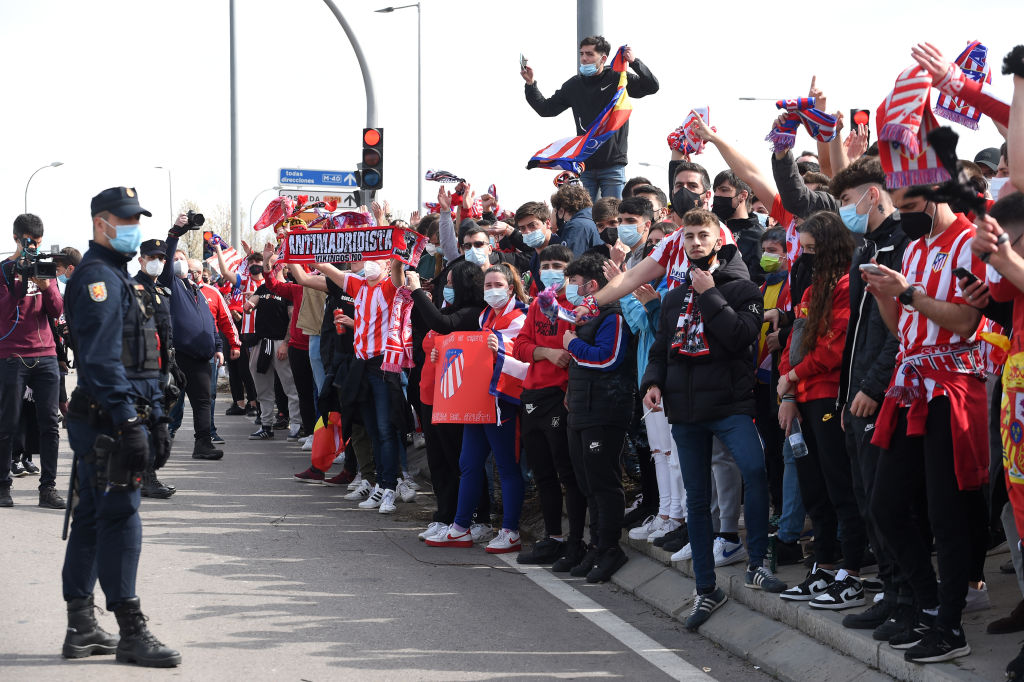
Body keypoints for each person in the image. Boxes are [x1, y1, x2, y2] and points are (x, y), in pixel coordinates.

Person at [641, 209, 785, 632]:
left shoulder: (743, 289)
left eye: (703, 236)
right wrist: (652, 382)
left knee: (755, 472)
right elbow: (661, 348)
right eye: (688, 237)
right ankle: (707, 588)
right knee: (697, 502)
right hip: (685, 413)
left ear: (719, 241)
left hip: (730, 406)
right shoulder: (672, 296)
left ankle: (756, 563)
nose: (695, 244)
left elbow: (742, 338)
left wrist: (709, 294)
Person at [862, 184, 989, 663]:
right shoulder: (913, 248)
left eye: (913, 208)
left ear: (937, 196)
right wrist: (883, 295)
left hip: (952, 388)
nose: (906, 217)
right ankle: (930, 603)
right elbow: (901, 329)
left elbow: (964, 322)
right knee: (886, 503)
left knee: (947, 510)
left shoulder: (969, 241)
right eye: (900, 208)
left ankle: (951, 625)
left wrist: (908, 293)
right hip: (911, 385)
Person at [61, 186, 180, 667]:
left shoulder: (115, 275)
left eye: (137, 219)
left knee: (91, 519)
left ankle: (81, 627)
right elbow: (102, 359)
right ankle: (131, 631)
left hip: (110, 417)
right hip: (108, 421)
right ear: (100, 223)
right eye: (125, 220)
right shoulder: (100, 280)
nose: (133, 229)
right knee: (120, 518)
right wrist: (130, 421)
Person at [828, 157, 912, 633]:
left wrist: (872, 387)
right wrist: (847, 397)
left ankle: (908, 597)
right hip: (855, 395)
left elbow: (898, 330)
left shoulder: (902, 244)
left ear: (873, 195)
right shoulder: (865, 248)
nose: (844, 210)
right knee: (865, 499)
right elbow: (858, 334)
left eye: (846, 200)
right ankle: (889, 590)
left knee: (889, 502)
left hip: (885, 392)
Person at [776, 212, 867, 610]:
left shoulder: (848, 286)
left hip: (830, 395)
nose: (807, 257)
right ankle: (824, 565)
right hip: (803, 397)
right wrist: (788, 392)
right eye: (805, 250)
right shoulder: (813, 291)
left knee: (840, 486)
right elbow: (794, 344)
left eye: (813, 250)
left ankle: (854, 571)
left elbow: (834, 350)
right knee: (814, 486)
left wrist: (793, 375)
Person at [426, 263, 528, 552]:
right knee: (468, 464)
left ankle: (510, 530)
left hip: (504, 402)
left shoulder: (521, 316)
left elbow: (524, 363)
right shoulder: (485, 315)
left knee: (507, 466)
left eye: (497, 285)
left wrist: (501, 350)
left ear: (511, 287)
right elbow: (472, 353)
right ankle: (460, 527)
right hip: (479, 399)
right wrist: (443, 352)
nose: (492, 290)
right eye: (487, 285)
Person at [560, 251, 634, 581]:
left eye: (573, 282)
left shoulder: (612, 316)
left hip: (605, 410)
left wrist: (572, 345)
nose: (568, 288)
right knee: (586, 483)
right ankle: (596, 544)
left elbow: (608, 359)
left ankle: (610, 548)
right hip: (581, 409)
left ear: (592, 285)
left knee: (605, 482)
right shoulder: (585, 318)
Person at [314, 254, 409, 514]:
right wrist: (295, 240)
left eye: (375, 260)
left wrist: (398, 260)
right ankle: (381, 483)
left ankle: (390, 486)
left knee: (385, 428)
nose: (368, 263)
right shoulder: (358, 286)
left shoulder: (389, 286)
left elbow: (399, 277)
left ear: (386, 265)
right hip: (360, 366)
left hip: (382, 366)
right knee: (372, 429)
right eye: (365, 258)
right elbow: (325, 267)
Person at [512, 244, 588, 565]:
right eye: (546, 265)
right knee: (542, 472)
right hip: (532, 396)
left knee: (567, 473)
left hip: (561, 396)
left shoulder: (578, 308)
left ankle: (575, 540)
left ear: (570, 272)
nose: (551, 271)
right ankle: (553, 537)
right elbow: (520, 346)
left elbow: (582, 354)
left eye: (558, 265)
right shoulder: (538, 305)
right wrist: (546, 353)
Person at [406, 261, 486, 541]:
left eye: (451, 283)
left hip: (455, 398)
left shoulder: (473, 314)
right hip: (431, 396)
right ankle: (445, 515)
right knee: (438, 461)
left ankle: (475, 517)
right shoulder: (448, 310)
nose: (446, 288)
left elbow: (441, 325)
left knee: (457, 460)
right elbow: (429, 324)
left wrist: (417, 291)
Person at [522, 36, 659, 199]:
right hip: (584, 164)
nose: (584, 59)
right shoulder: (573, 85)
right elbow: (546, 109)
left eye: (589, 54)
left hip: (613, 164)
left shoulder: (617, 78)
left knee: (612, 218)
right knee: (586, 216)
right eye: (581, 54)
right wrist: (530, 84)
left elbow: (651, 87)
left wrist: (635, 62)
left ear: (603, 58)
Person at [0, 213, 65, 509]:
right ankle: (3, 486)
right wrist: (20, 281)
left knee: (50, 423)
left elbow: (56, 310)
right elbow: (3, 314)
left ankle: (48, 488)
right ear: (16, 239)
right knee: (8, 422)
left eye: (36, 243)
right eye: (28, 243)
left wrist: (46, 283)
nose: (32, 248)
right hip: (12, 355)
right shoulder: (4, 270)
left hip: (46, 355)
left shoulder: (46, 268)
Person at [161, 218, 223, 460]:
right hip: (179, 355)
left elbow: (209, 323)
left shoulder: (197, 290)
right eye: (174, 260)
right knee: (171, 401)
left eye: (181, 260)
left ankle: (203, 443)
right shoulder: (171, 284)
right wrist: (175, 233)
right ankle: (156, 442)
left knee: (203, 401)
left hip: (202, 356)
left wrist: (217, 346)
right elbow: (166, 262)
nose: (178, 263)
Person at [132, 239, 176, 499]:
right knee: (147, 423)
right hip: (142, 367)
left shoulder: (160, 289)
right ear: (141, 260)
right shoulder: (134, 288)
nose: (157, 262)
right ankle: (146, 477)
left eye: (161, 257)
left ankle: (142, 475)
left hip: (162, 364)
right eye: (152, 257)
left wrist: (173, 364)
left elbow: (165, 332)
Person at [244, 254, 300, 443]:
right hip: (262, 343)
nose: (272, 267)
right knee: (262, 386)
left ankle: (297, 425)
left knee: (290, 386)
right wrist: (248, 305)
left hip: (280, 344)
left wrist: (285, 342)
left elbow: (292, 319)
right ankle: (266, 425)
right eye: (269, 265)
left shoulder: (288, 290)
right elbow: (250, 305)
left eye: (275, 264)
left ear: (283, 267)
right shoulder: (263, 287)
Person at [191, 258, 241, 444]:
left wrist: (234, 344)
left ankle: (209, 430)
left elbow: (226, 322)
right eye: (188, 270)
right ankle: (171, 429)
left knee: (208, 394)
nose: (192, 274)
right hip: (181, 353)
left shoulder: (213, 293)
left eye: (195, 271)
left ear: (202, 273)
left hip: (207, 353)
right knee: (177, 394)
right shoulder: (176, 291)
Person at [551, 183, 603, 257]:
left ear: (561, 210)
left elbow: (570, 263)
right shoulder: (593, 221)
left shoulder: (576, 226)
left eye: (555, 211)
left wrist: (553, 226)